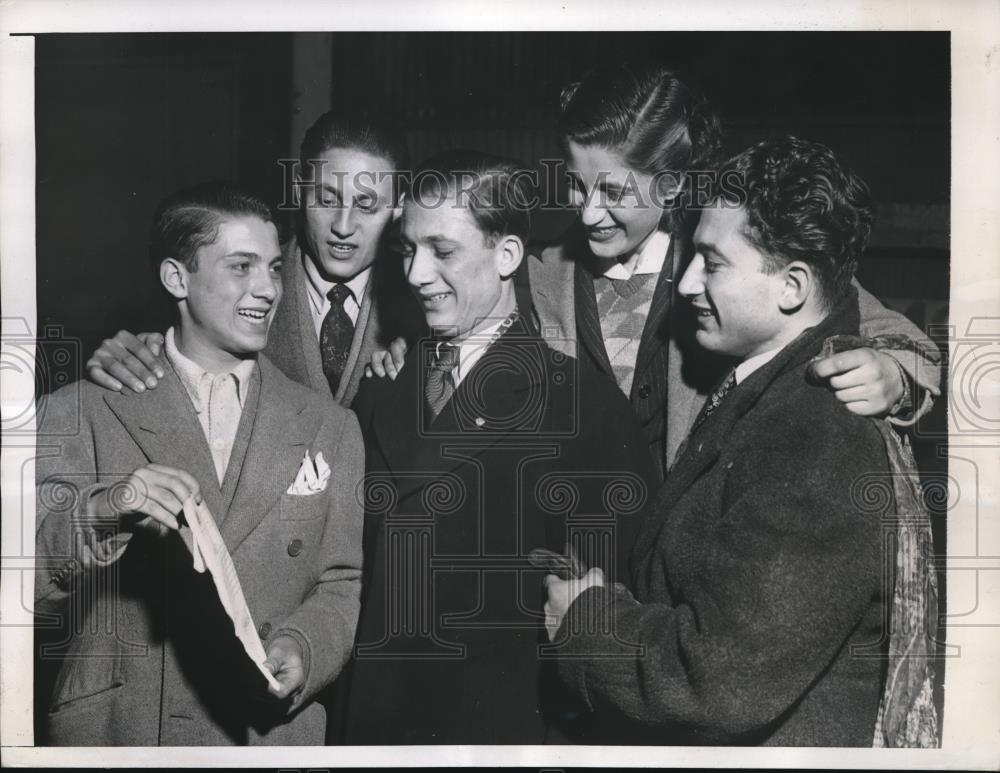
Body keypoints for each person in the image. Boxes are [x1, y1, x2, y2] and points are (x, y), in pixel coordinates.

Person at [543, 137, 939, 747]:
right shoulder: (768, 390)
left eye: (713, 262)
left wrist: (586, 622)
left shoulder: (814, 435)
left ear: (792, 286)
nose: (686, 283)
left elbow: (719, 679)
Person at [370, 64, 942, 478]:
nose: (587, 211)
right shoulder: (536, 276)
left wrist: (894, 374)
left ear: (671, 187)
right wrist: (413, 355)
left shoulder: (727, 269)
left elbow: (899, 337)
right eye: (575, 183)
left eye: (614, 191)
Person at [340, 151, 660, 744]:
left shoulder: (579, 406)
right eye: (407, 250)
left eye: (443, 250)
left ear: (508, 254)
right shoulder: (384, 389)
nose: (414, 274)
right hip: (377, 731)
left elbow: (613, 617)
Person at [34, 182, 364, 745]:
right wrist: (100, 512)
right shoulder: (81, 411)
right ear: (175, 278)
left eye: (275, 268)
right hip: (125, 736)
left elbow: (340, 584)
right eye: (241, 267)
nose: (267, 289)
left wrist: (304, 649)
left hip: (264, 739)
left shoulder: (328, 424)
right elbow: (27, 592)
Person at [85, 108, 423, 408]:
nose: (343, 227)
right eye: (326, 199)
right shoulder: (230, 287)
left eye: (366, 206)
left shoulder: (425, 308)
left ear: (398, 208)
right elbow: (168, 353)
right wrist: (128, 358)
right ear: (297, 192)